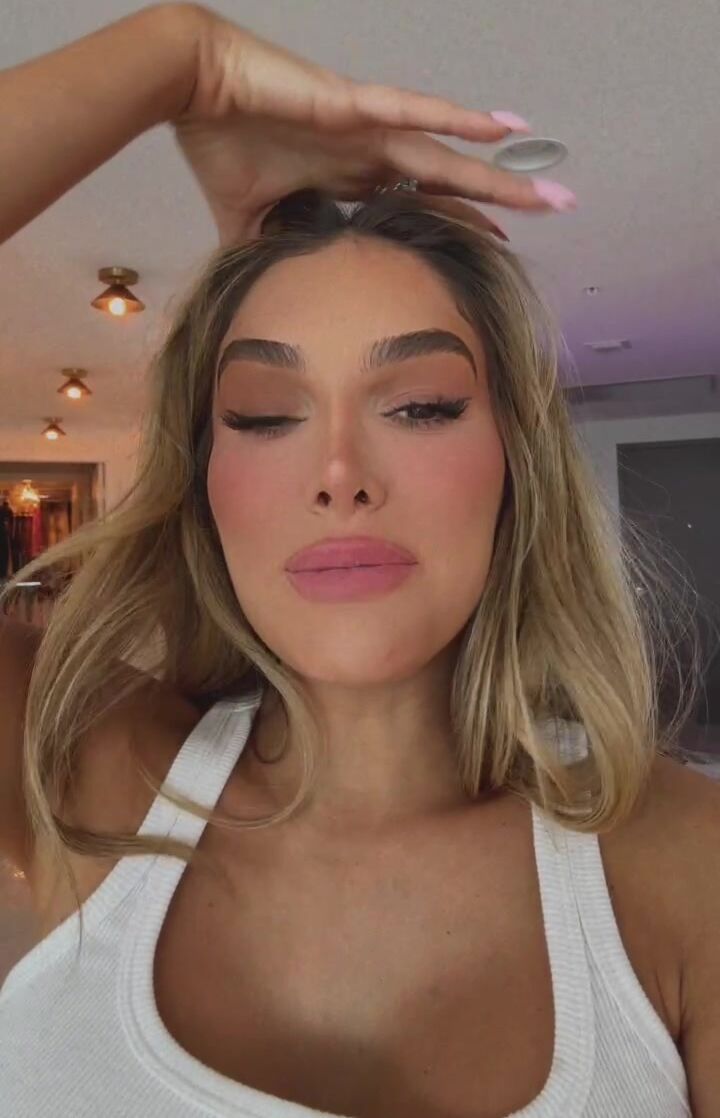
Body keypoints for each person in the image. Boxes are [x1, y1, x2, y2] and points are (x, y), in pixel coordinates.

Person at [0, 4, 717, 1116]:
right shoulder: (87, 765)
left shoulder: (687, 867)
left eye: (420, 404)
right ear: (204, 482)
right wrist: (178, 58)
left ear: (515, 464)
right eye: (264, 413)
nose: (339, 473)